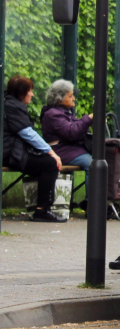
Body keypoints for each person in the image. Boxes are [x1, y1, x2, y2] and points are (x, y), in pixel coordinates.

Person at [3, 76, 62, 222]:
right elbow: (27, 133)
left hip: (11, 152)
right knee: (50, 164)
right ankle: (42, 210)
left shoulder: (10, 104)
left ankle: (43, 208)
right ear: (22, 93)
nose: (32, 94)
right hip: (10, 154)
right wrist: (51, 152)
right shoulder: (13, 107)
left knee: (46, 164)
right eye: (30, 91)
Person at [40, 80, 92, 171]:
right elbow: (71, 132)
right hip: (61, 151)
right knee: (92, 165)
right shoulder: (53, 114)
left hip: (71, 150)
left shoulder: (66, 112)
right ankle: (96, 186)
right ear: (60, 99)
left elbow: (78, 129)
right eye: (70, 96)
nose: (74, 98)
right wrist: (89, 118)